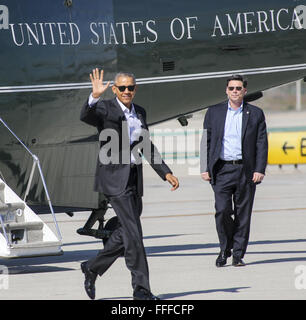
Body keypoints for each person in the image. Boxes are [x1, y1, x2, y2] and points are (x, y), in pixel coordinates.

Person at [80, 69, 179, 300]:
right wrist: (94, 97)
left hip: (134, 177)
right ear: (114, 89)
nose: (127, 91)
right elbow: (86, 116)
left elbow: (145, 145)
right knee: (134, 234)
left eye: (130, 87)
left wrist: (165, 172)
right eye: (122, 87)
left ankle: (92, 267)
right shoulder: (105, 108)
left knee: (126, 232)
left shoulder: (140, 112)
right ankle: (141, 290)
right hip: (115, 180)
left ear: (135, 89)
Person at [200, 74, 268, 267]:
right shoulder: (214, 112)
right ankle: (225, 247)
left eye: (238, 88)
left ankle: (238, 255)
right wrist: (205, 168)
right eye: (232, 88)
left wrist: (259, 168)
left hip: (245, 170)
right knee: (221, 211)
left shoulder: (255, 113)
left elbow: (261, 143)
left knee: (243, 214)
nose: (235, 91)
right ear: (226, 90)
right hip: (221, 169)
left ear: (245, 91)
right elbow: (206, 140)